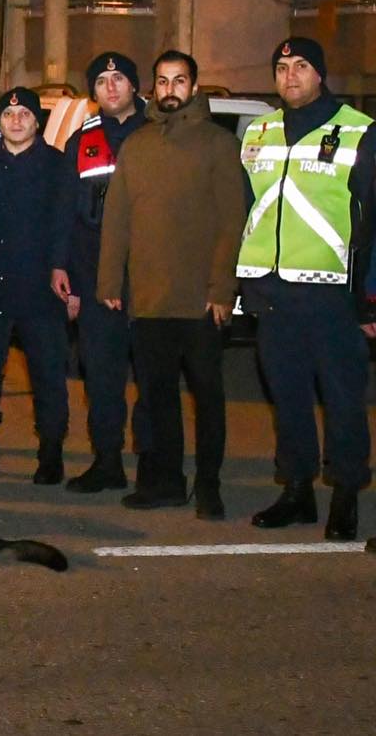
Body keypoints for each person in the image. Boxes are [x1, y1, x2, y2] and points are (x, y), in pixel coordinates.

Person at [96, 52, 245, 518]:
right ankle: (165, 482)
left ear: (194, 86)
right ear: (154, 87)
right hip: (150, 298)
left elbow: (231, 221)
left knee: (208, 398)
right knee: (158, 398)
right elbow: (117, 219)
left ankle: (209, 484)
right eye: (162, 80)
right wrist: (109, 279)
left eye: (179, 80)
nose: (170, 88)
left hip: (201, 302)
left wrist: (223, 289)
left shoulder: (218, 144)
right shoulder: (137, 145)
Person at [238, 37, 376, 541]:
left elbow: (373, 224)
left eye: (300, 66)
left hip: (333, 294)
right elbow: (247, 210)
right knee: (288, 396)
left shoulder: (359, 132)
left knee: (341, 398)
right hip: (272, 292)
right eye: (281, 67)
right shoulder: (259, 130)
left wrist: (369, 297)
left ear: (320, 73)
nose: (290, 76)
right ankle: (296, 490)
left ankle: (345, 492)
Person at [51, 50, 151, 494]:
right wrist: (63, 268)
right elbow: (66, 213)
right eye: (102, 81)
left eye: (119, 78)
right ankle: (107, 460)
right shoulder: (82, 141)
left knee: (152, 375)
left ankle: (154, 464)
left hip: (150, 271)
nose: (111, 87)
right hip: (94, 272)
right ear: (93, 93)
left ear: (135, 86)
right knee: (103, 375)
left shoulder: (158, 133)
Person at [0, 87, 70, 482]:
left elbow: (64, 224)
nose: (16, 121)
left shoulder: (57, 165)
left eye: (25, 114)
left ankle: (51, 451)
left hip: (40, 288)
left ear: (37, 121)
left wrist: (64, 272)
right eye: (9, 115)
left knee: (48, 376)